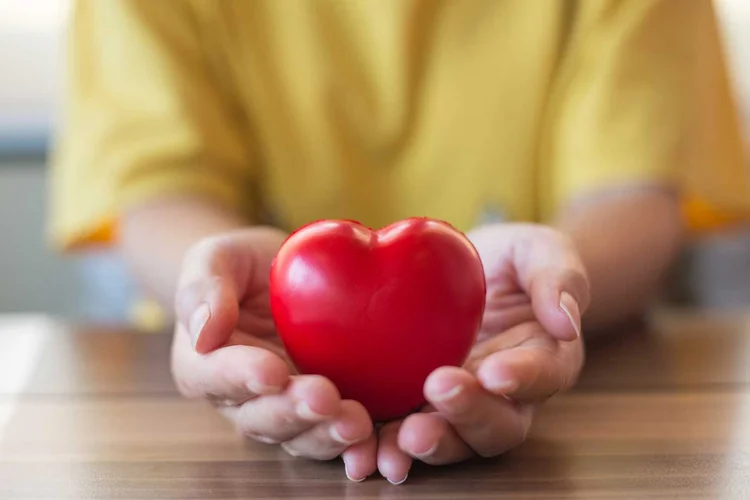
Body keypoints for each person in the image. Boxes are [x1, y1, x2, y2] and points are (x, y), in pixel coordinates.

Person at [49, 0, 749, 484]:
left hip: (588, 407)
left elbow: (633, 192)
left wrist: (547, 290)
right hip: (197, 428)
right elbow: (158, 190)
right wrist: (217, 297)